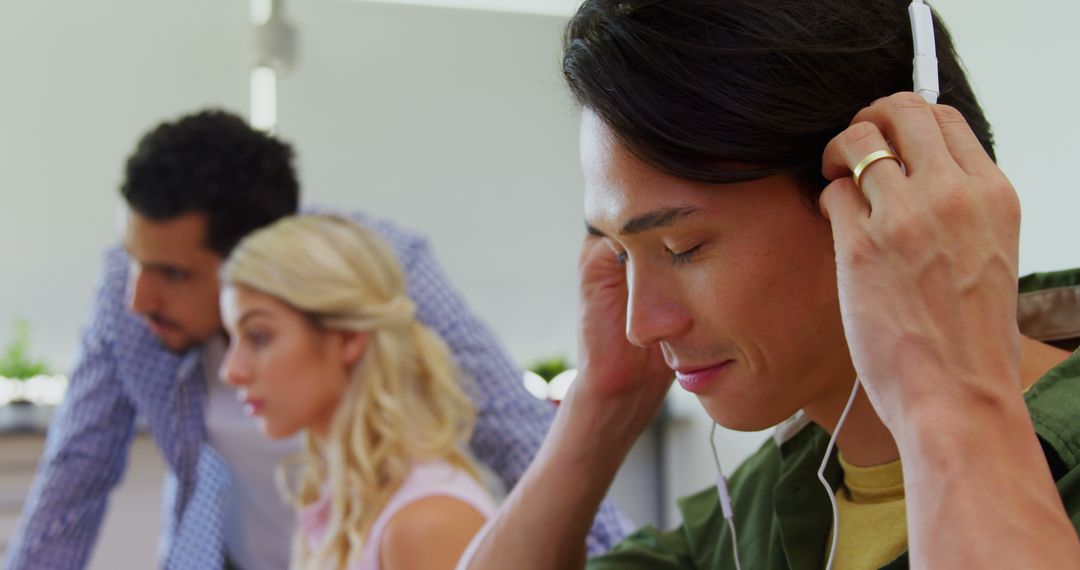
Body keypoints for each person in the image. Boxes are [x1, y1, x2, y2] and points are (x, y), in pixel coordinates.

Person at [461, 0, 1080, 568]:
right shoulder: (772, 503)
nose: (641, 326)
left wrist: (949, 398)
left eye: (683, 247)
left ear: (888, 185)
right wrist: (604, 402)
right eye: (621, 254)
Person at [4, 111, 629, 570]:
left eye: (172, 273)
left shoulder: (371, 271)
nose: (137, 298)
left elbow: (519, 434)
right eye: (133, 261)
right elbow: (73, 476)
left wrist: (625, 563)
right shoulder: (319, 498)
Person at [219, 214, 494, 569]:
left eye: (258, 336)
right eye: (231, 339)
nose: (231, 371)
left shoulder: (425, 524)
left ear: (349, 338)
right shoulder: (341, 500)